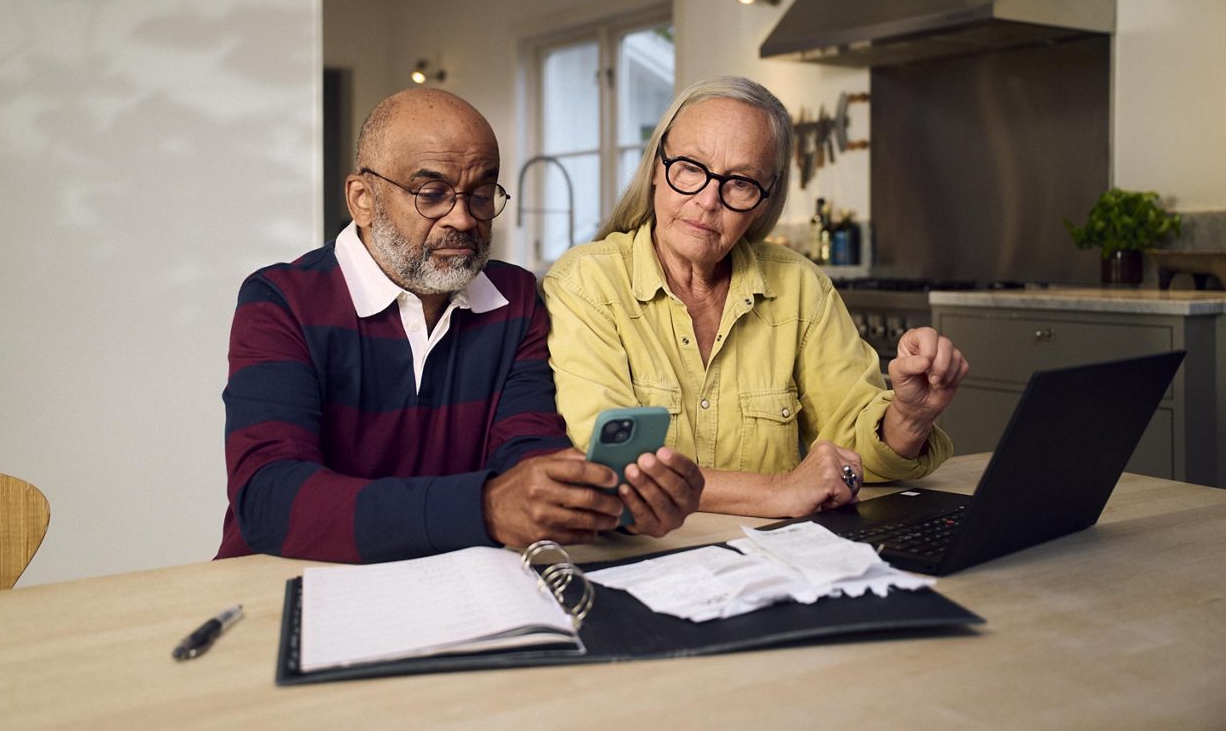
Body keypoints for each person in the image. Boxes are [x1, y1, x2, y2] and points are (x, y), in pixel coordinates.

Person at [216, 88, 703, 564]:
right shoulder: (281, 301)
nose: (465, 219)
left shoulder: (515, 299)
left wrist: (615, 505)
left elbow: (528, 452)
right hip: (282, 587)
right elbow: (269, 497)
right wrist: (485, 507)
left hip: (456, 590)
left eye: (482, 193)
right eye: (432, 194)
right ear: (362, 199)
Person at [543, 76, 968, 519]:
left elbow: (851, 454)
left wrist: (909, 417)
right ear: (656, 167)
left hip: (777, 557)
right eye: (690, 167)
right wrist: (778, 491)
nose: (708, 201)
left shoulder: (801, 287)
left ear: (764, 200)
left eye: (741, 182)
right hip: (645, 557)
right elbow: (614, 467)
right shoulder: (585, 283)